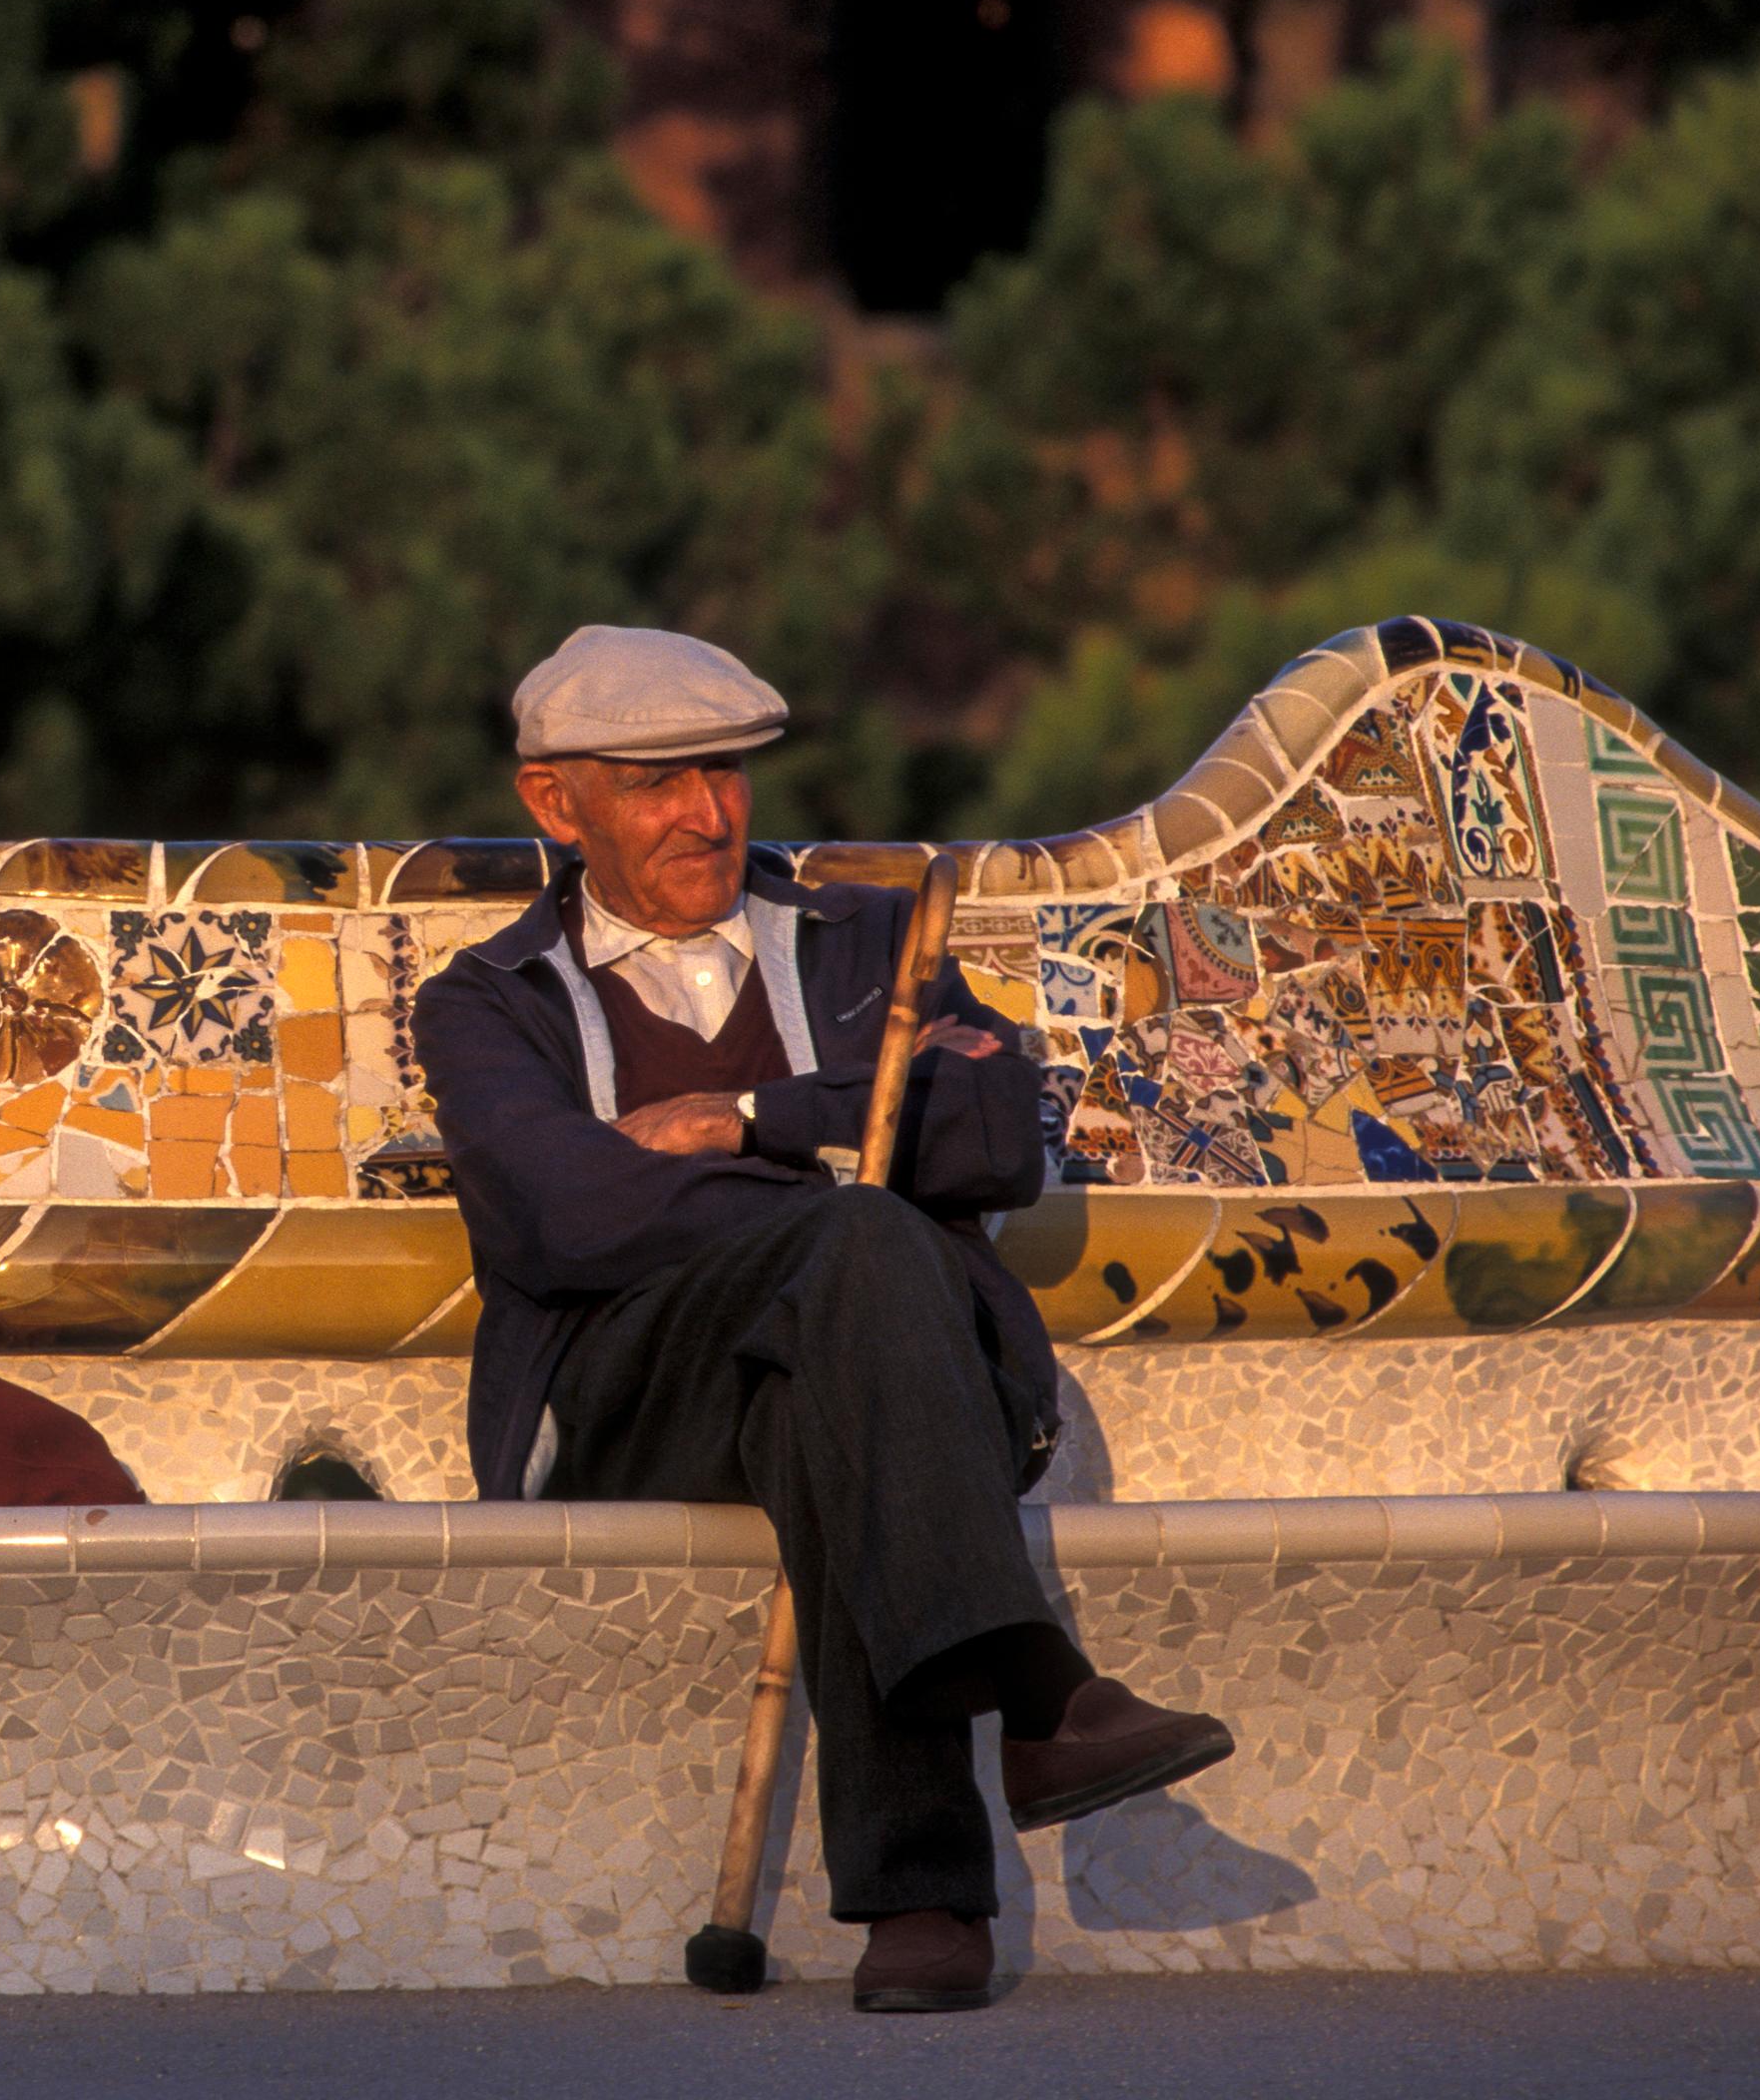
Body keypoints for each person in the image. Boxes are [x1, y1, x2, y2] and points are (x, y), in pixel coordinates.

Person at [413, 627, 1238, 2015]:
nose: (709, 813)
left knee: (826, 1391)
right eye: (657, 783)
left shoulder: (869, 944)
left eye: (727, 773)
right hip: (636, 1398)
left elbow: (994, 1138)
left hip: (845, 1379)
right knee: (863, 1238)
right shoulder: (488, 1003)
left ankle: (923, 1906)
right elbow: (565, 1219)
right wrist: (844, 1169)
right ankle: (1038, 1695)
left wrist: (749, 1119)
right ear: (557, 804)